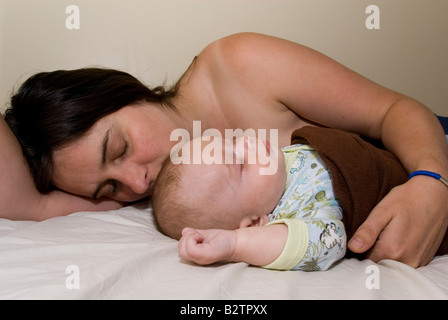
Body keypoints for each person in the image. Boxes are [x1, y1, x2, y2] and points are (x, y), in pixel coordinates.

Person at [2, 33, 447, 267]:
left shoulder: (240, 64)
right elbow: (22, 202)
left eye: (120, 148)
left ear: (127, 93)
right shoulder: (169, 200)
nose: (137, 182)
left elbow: (395, 109)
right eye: (108, 189)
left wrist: (431, 181)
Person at [152, 128, 448, 270]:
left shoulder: (283, 160)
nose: (247, 142)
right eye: (240, 164)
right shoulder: (294, 212)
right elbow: (324, 242)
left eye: (231, 141)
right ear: (254, 223)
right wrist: (234, 244)